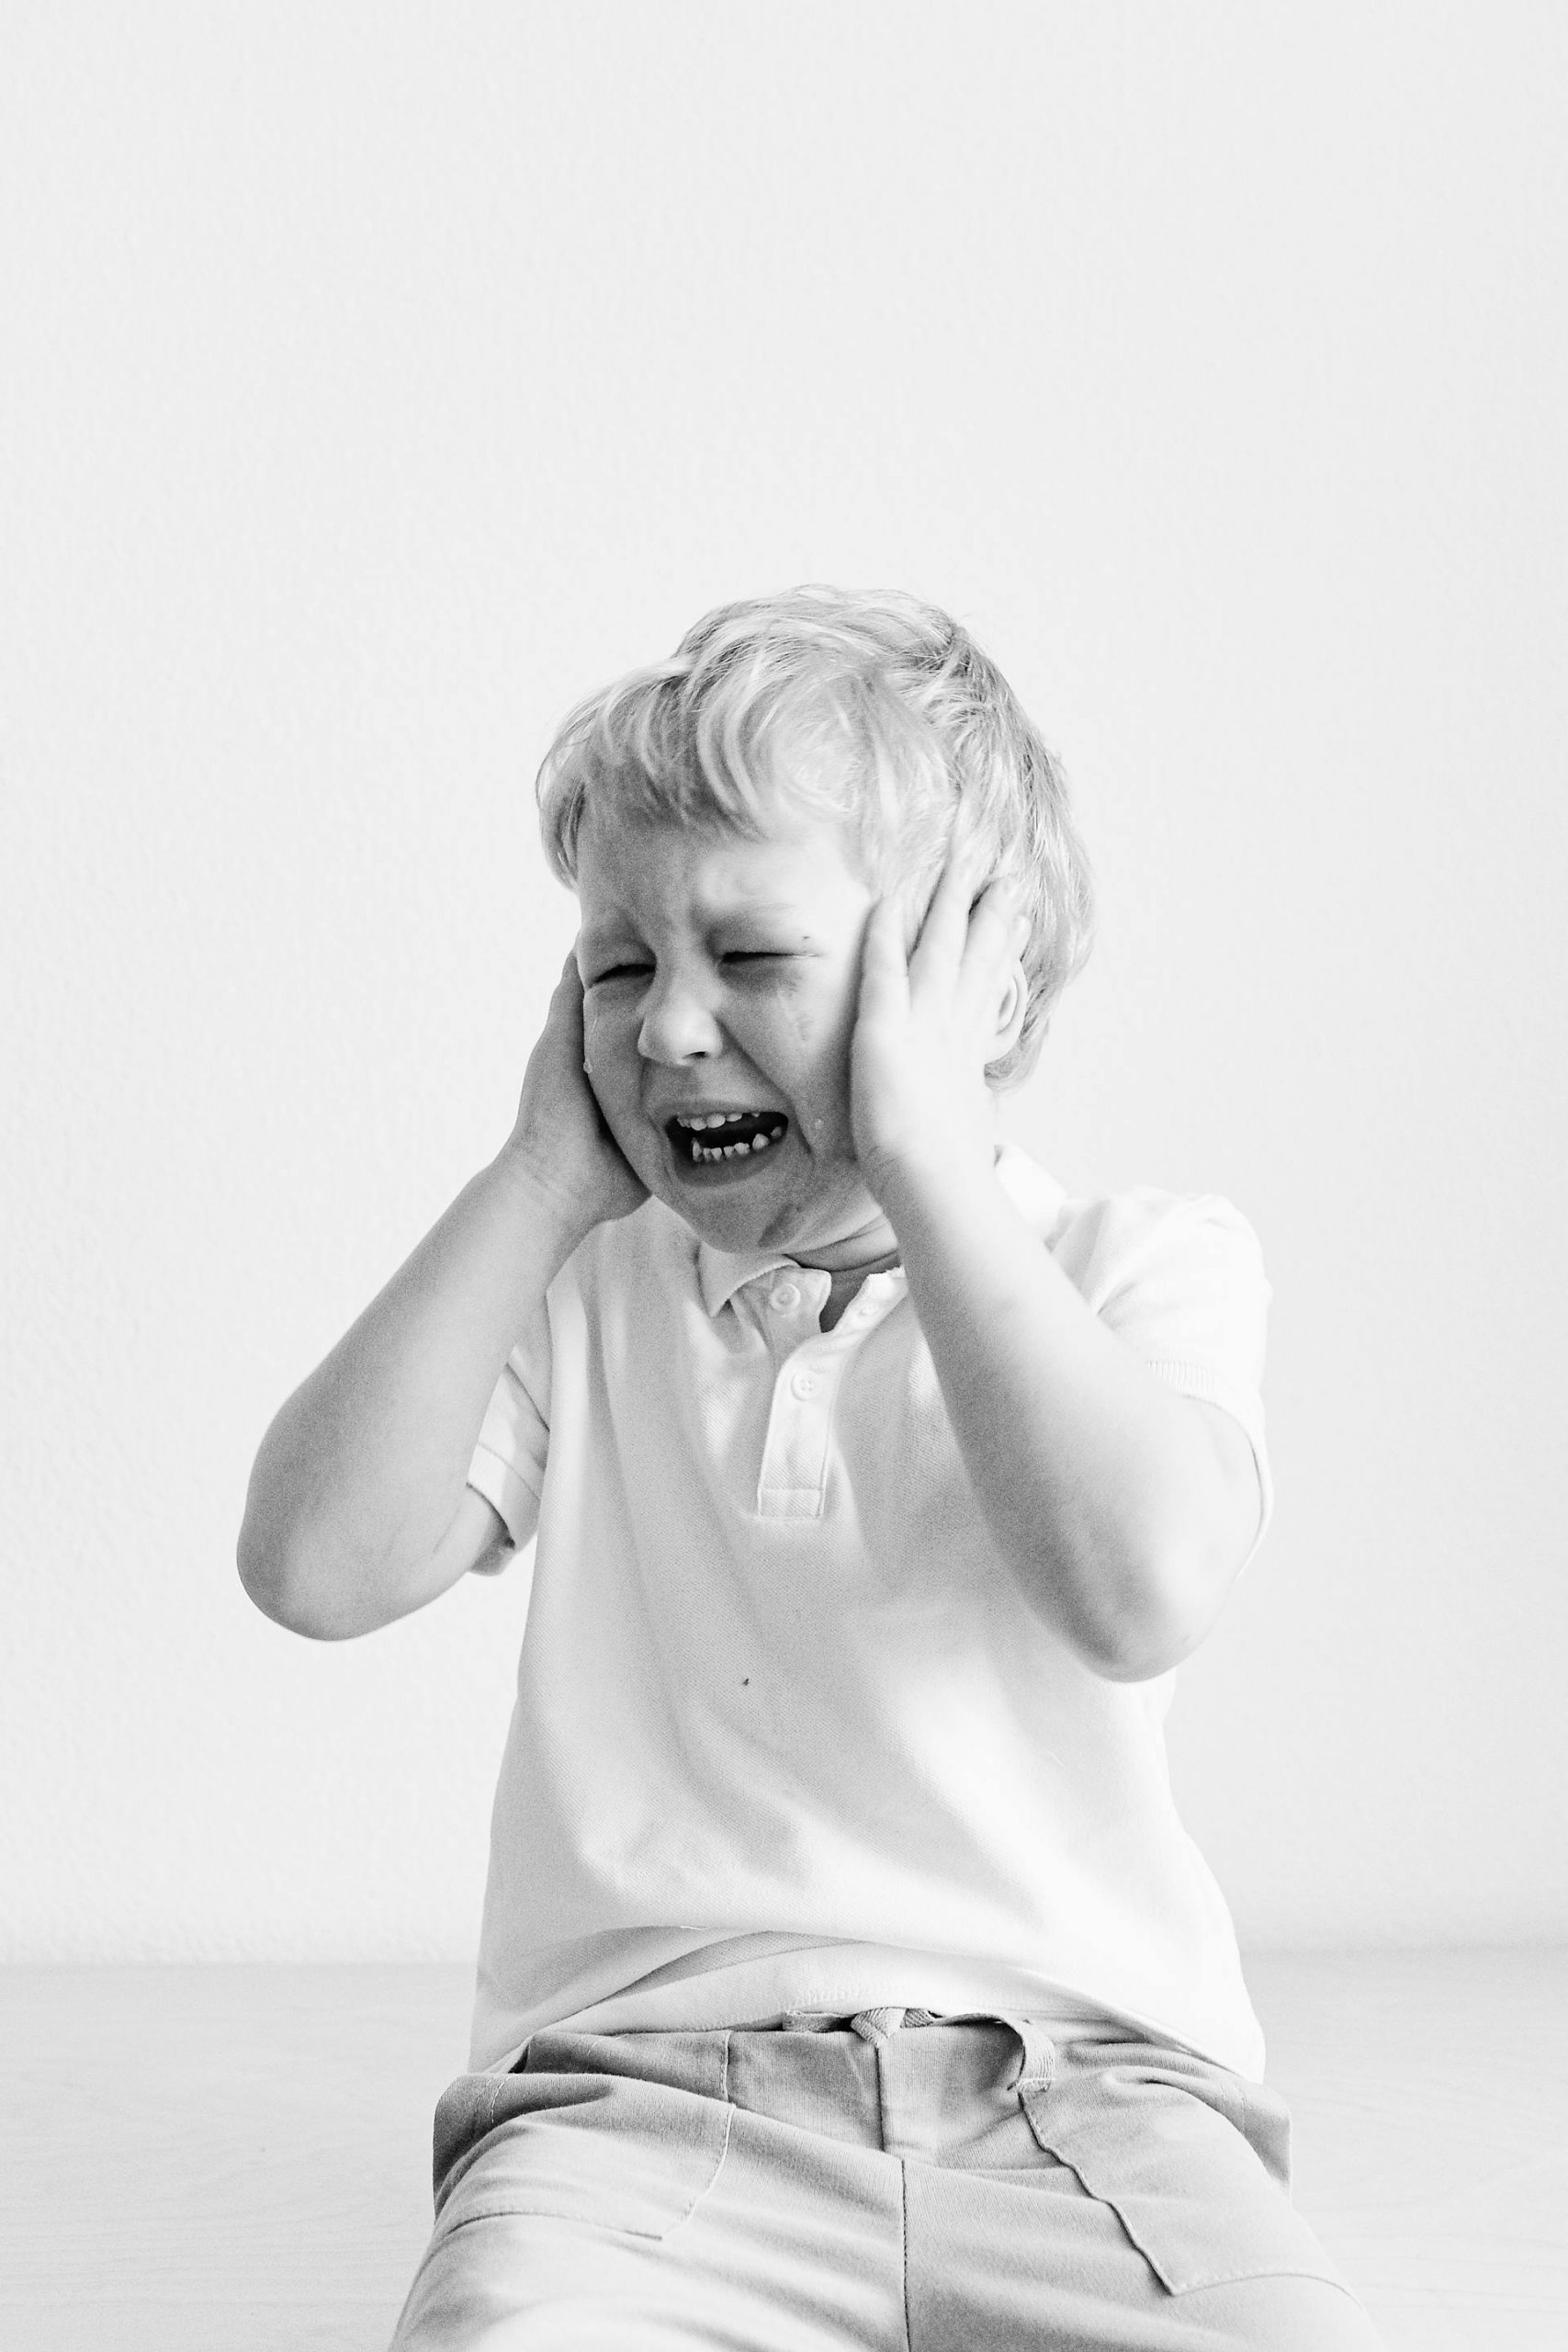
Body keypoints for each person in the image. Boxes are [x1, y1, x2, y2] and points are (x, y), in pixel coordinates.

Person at [240, 588, 1383, 2348]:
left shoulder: (1134, 1267)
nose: (671, 1029)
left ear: (981, 980)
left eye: (751, 958)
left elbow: (1139, 1587)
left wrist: (923, 1157)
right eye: (619, 968)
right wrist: (538, 1181)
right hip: (635, 2106)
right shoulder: (583, 1296)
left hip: (1092, 2105)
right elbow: (314, 1566)